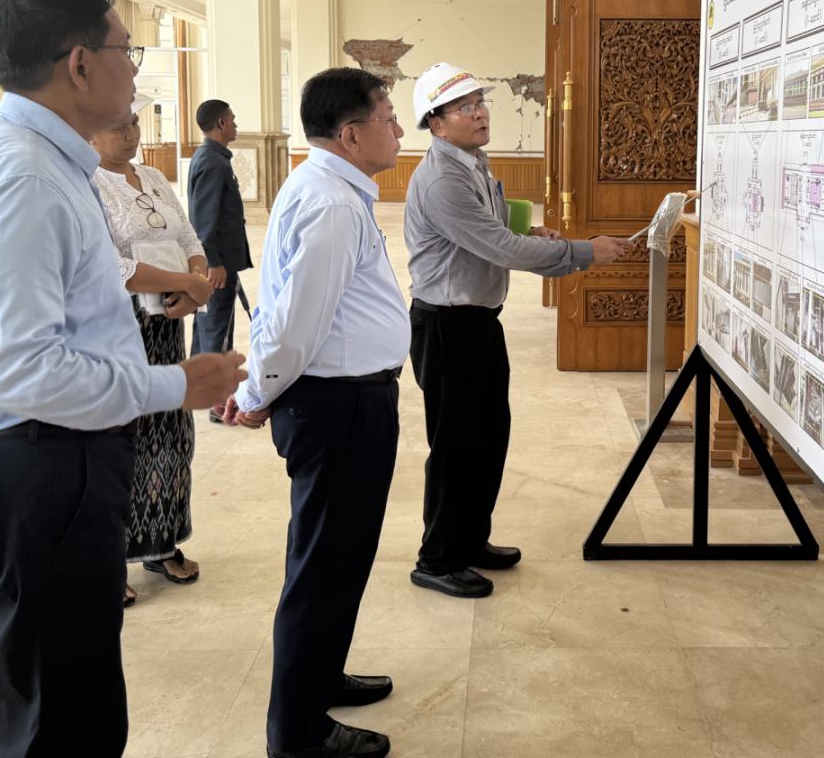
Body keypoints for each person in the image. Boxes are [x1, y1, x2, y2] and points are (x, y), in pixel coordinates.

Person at [0, 0, 246, 758]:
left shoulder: (39, 162)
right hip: (35, 470)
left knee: (14, 708)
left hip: (30, 464)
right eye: (126, 51)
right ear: (78, 64)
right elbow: (16, 369)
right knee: (58, 721)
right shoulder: (24, 176)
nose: (134, 70)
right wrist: (173, 383)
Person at [221, 67, 408, 758]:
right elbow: (296, 323)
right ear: (351, 134)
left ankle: (322, 675)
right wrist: (256, 392)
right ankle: (298, 734)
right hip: (338, 406)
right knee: (323, 568)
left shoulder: (331, 189)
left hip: (342, 398)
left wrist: (265, 388)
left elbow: (289, 311)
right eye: (388, 117)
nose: (399, 129)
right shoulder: (331, 203)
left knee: (340, 559)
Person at [403, 63, 629, 598]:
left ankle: (469, 540)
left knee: (488, 436)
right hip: (448, 325)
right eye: (465, 107)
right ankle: (437, 559)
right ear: (435, 123)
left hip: (478, 320)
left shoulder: (471, 162)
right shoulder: (442, 179)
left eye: (481, 102)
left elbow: (496, 223)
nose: (480, 113)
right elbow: (499, 247)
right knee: (456, 446)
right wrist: (581, 252)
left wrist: (532, 228)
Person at [92, 105, 216, 607]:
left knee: (171, 433)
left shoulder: (154, 177)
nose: (129, 134)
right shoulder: (89, 184)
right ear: (90, 133)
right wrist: (184, 282)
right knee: (126, 436)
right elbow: (110, 264)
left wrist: (193, 284)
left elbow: (187, 236)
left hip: (168, 323)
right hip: (121, 328)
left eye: (134, 124)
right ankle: (107, 559)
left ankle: (161, 543)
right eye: (117, 126)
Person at [187, 98, 251, 360]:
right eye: (232, 119)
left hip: (222, 263)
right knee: (216, 331)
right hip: (218, 266)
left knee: (210, 326)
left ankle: (200, 378)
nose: (235, 125)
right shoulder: (212, 162)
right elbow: (203, 219)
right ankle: (212, 380)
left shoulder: (213, 157)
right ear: (222, 123)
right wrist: (213, 262)